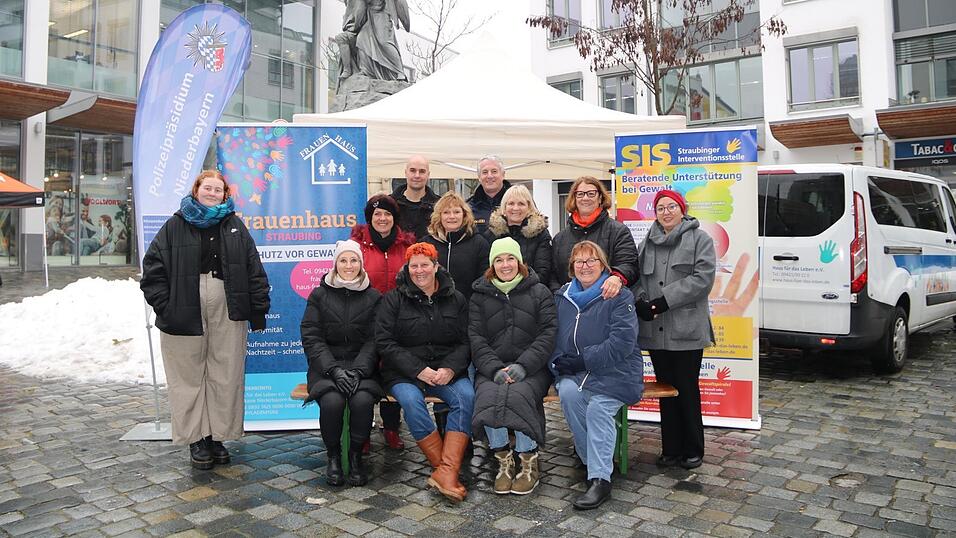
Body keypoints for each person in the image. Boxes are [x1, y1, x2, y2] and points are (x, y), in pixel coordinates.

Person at [140, 170, 270, 470]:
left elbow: (253, 268)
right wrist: (166, 306)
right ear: (196, 190)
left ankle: (217, 436)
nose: (212, 193)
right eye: (207, 188)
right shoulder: (174, 225)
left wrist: (258, 307)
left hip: (228, 304)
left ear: (225, 194)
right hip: (184, 306)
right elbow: (152, 271)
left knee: (226, 372)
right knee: (187, 376)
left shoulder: (235, 225)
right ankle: (196, 438)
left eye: (218, 189)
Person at [375, 242, 474, 502]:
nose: (419, 271)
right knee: (411, 401)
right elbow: (384, 343)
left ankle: (445, 472)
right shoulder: (393, 299)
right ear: (407, 268)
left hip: (446, 371)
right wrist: (419, 370)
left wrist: (450, 369)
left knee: (466, 397)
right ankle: (445, 471)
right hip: (404, 373)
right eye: (414, 266)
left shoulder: (456, 298)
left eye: (424, 265)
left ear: (436, 266)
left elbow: (465, 341)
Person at [550, 241, 643, 510]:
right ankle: (593, 460)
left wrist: (583, 359)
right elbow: (554, 337)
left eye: (591, 261)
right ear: (571, 268)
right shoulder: (563, 297)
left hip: (616, 372)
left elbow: (623, 343)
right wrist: (557, 363)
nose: (585, 266)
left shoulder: (618, 295)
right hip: (579, 374)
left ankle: (600, 481)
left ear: (603, 265)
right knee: (567, 393)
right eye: (579, 261)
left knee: (598, 409)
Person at [634, 189, 716, 470]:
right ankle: (670, 448)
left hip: (686, 329)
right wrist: (641, 301)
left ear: (683, 209)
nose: (666, 212)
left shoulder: (700, 239)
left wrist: (664, 300)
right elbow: (636, 278)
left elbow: (702, 279)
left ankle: (693, 449)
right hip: (656, 331)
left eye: (671, 207)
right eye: (660, 208)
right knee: (665, 391)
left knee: (686, 389)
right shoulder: (647, 242)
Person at [469, 238, 556, 495]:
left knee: (520, 395)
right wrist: (494, 368)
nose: (505, 265)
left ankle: (529, 460)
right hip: (492, 367)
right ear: (491, 264)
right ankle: (503, 460)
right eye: (499, 260)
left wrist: (524, 365)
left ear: (519, 262)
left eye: (510, 259)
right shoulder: (479, 296)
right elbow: (476, 337)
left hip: (531, 366)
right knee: (487, 396)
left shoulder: (539, 292)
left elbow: (548, 333)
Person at [300, 240, 383, 487]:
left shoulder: (374, 297)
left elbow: (375, 339)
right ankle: (333, 456)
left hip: (362, 367)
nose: (349, 265)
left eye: (354, 260)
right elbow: (311, 335)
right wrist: (333, 370)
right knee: (332, 401)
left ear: (361, 264)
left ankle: (356, 457)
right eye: (344, 260)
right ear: (335, 263)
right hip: (327, 366)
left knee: (362, 400)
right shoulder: (319, 294)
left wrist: (359, 371)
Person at [350, 193, 415, 450]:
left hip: (398, 321)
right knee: (367, 374)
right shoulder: (356, 244)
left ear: (394, 218)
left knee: (393, 373)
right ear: (370, 218)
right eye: (377, 214)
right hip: (364, 320)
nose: (382, 218)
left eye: (387, 214)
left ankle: (391, 428)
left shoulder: (406, 245)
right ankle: (362, 431)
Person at [551, 176, 638, 299]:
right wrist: (561, 296)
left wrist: (616, 277)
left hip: (607, 302)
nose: (585, 198)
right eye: (580, 194)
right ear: (574, 199)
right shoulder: (560, 239)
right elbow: (553, 275)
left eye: (591, 194)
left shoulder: (618, 231)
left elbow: (629, 264)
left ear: (600, 198)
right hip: (571, 305)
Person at [424, 192, 490, 302]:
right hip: (434, 309)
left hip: (467, 308)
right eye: (446, 212)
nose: (452, 216)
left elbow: (484, 280)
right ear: (439, 216)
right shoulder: (427, 243)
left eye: (456, 212)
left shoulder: (479, 243)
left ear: (464, 215)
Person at [484, 185, 553, 286]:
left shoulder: (541, 235)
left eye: (521, 204)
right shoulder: (492, 234)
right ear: (504, 207)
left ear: (529, 207)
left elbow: (543, 272)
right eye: (511, 203)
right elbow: (486, 270)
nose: (515, 208)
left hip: (531, 293)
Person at [335, 0, 410, 81]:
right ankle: (366, 70)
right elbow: (359, 8)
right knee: (361, 40)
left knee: (384, 42)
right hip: (369, 16)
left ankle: (399, 71)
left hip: (382, 14)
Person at [392, 155, 440, 240]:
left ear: (428, 175)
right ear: (405, 173)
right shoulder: (390, 204)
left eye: (422, 171)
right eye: (412, 170)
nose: (417, 175)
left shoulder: (439, 206)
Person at [467, 155, 512, 235]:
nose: (490, 176)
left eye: (494, 171)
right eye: (485, 172)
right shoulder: (468, 207)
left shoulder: (519, 203)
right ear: (479, 177)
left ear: (503, 174)